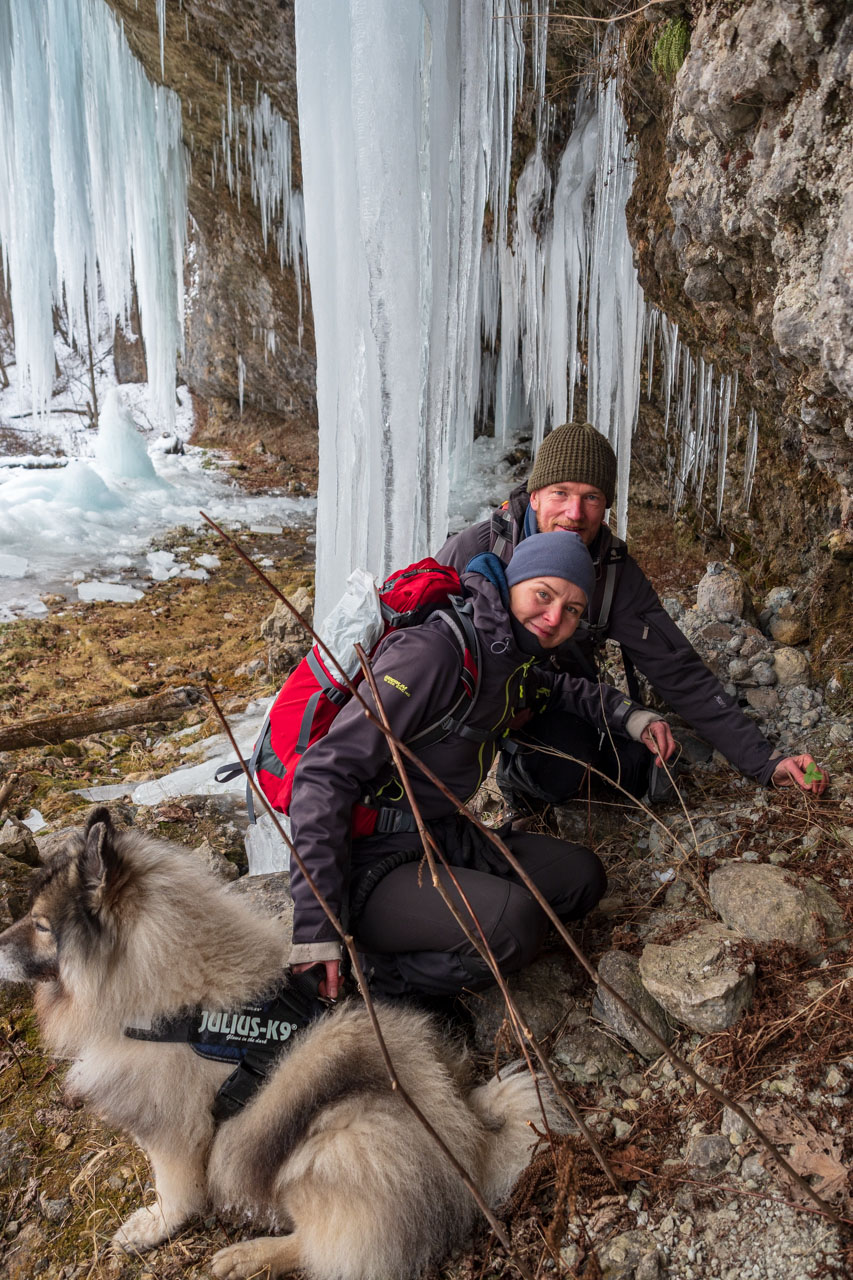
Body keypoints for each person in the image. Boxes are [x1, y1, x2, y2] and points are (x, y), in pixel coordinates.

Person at [289, 532, 675, 1001]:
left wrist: (633, 717)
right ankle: (368, 980)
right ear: (513, 584)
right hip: (370, 858)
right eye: (544, 595)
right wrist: (316, 929)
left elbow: (556, 688)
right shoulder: (434, 654)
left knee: (581, 878)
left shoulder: (510, 656)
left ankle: (440, 925)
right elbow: (323, 772)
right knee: (514, 927)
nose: (554, 618)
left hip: (439, 835)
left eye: (572, 609)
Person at [437, 421, 828, 809]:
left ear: (606, 507)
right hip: (466, 698)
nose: (575, 513)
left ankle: (522, 781)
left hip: (559, 699)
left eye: (591, 497)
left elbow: (679, 671)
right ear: (534, 495)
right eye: (561, 493)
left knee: (592, 768)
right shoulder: (476, 549)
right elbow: (414, 640)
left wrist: (764, 762)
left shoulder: (614, 575)